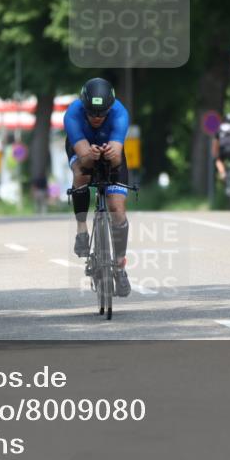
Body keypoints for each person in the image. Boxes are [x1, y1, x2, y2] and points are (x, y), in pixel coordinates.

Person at [65, 77, 131, 297]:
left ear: (109, 109)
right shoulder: (72, 115)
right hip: (82, 148)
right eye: (91, 112)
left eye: (101, 113)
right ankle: (81, 229)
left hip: (111, 150)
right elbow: (83, 160)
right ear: (83, 107)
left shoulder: (120, 114)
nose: (96, 117)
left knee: (117, 209)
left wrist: (111, 155)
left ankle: (120, 266)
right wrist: (88, 156)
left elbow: (116, 159)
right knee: (80, 175)